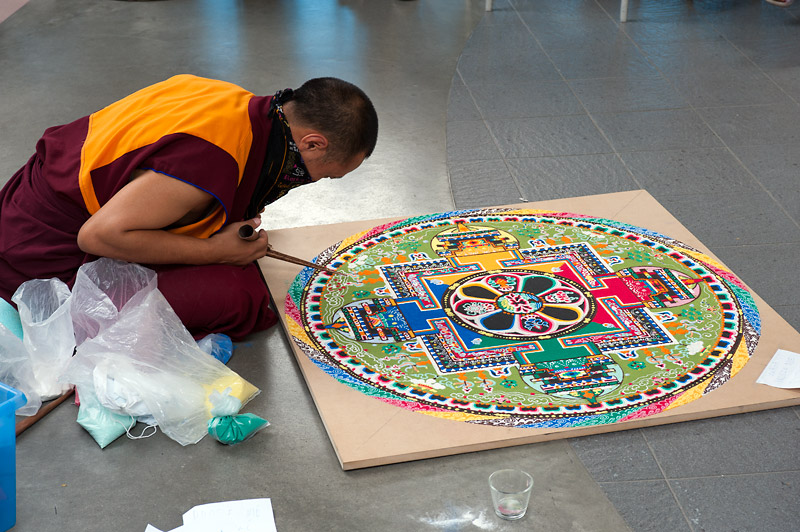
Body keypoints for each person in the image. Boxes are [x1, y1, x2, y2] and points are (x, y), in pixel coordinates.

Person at [0, 74, 378, 340]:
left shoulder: (237, 104)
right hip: (43, 266)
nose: (313, 181)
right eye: (326, 175)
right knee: (243, 296)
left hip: (28, 205)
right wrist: (215, 251)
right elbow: (97, 236)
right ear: (312, 144)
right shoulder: (213, 157)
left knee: (238, 254)